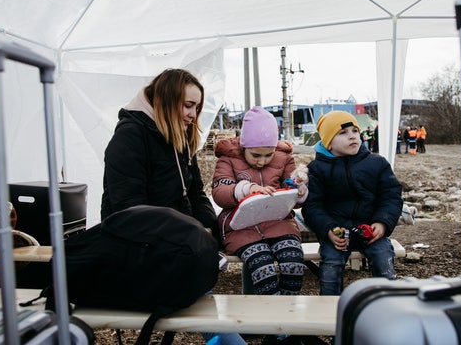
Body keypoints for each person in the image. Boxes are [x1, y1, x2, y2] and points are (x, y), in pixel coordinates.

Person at [101, 68, 246, 345]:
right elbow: (128, 211)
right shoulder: (130, 137)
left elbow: (195, 194)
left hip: (176, 247)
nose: (193, 115)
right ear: (166, 101)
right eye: (188, 105)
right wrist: (189, 231)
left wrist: (208, 227)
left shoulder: (179, 137)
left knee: (204, 295)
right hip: (140, 249)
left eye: (197, 107)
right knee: (203, 302)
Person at [302, 111, 402, 296]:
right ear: (328, 142)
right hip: (337, 231)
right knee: (331, 265)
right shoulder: (317, 169)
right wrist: (328, 229)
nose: (352, 135)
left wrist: (382, 222)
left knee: (383, 258)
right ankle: (330, 308)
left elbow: (391, 196)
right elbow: (313, 206)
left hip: (370, 229)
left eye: (355, 130)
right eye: (343, 132)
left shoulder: (377, 163)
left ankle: (388, 300)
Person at [212, 106, 308, 297]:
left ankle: (287, 310)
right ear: (244, 146)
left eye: (268, 155)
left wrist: (299, 191)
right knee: (263, 268)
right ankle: (267, 315)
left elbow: (292, 189)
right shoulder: (228, 159)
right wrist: (246, 189)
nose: (262, 161)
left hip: (279, 224)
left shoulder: (284, 159)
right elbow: (220, 192)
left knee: (294, 262)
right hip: (240, 229)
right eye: (255, 155)